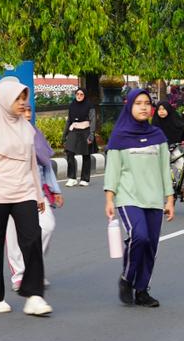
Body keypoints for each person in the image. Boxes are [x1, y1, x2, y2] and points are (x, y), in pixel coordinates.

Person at [0, 78, 50, 316]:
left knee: (33, 239)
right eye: (17, 98)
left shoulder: (26, 128)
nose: (22, 103)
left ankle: (34, 295)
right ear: (5, 100)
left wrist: (38, 194)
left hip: (24, 192)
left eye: (23, 98)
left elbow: (32, 166)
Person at [105, 89, 175, 308]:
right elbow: (112, 170)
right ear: (129, 107)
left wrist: (170, 198)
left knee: (151, 245)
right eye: (138, 103)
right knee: (140, 236)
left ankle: (142, 290)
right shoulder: (119, 137)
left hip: (154, 198)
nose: (144, 107)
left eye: (147, 103)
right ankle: (127, 279)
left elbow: (165, 169)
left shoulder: (158, 136)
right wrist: (110, 198)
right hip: (128, 197)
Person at [8, 125, 63, 293]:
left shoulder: (35, 134)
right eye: (21, 108)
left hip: (37, 193)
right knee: (13, 236)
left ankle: (33, 269)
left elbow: (45, 165)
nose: (25, 113)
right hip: (11, 194)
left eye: (28, 109)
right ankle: (19, 274)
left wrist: (55, 190)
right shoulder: (5, 133)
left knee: (47, 226)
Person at [64, 87, 96, 187]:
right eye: (77, 94)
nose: (79, 96)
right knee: (69, 152)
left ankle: (85, 179)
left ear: (84, 95)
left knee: (86, 155)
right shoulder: (72, 105)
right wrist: (64, 135)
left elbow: (93, 120)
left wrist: (91, 135)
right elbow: (69, 120)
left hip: (85, 131)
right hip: (74, 130)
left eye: (81, 94)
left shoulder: (89, 105)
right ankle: (72, 178)